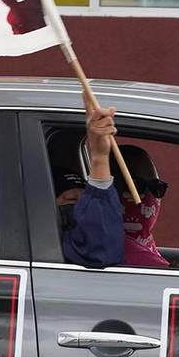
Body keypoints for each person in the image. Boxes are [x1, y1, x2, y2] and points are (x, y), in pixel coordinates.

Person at [55, 96, 123, 268]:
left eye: (83, 202)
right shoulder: (48, 243)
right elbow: (97, 250)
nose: (79, 207)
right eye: (70, 200)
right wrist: (99, 159)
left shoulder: (125, 240)